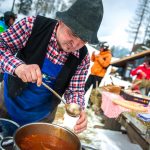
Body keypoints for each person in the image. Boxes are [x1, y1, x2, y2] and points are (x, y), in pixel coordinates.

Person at [0, 0, 103, 133]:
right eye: (73, 33)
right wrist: (18, 67)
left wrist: (77, 107)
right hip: (6, 104)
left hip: (42, 119)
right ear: (61, 21)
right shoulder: (32, 26)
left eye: (83, 40)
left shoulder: (82, 58)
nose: (75, 44)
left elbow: (75, 91)